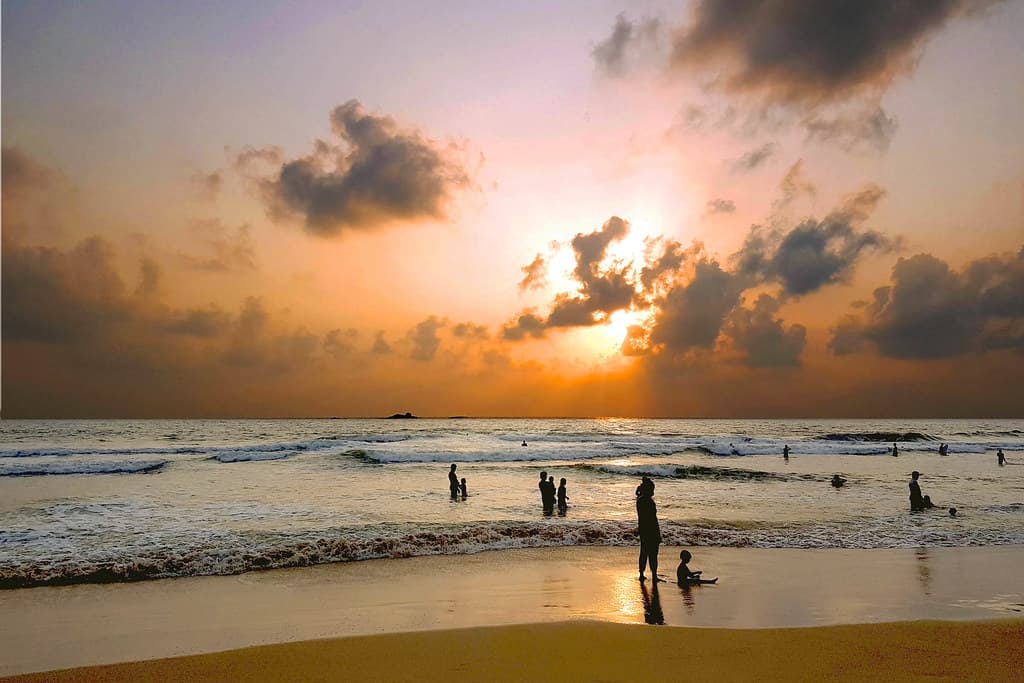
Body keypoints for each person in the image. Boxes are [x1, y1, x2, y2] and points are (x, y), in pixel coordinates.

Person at [636, 477, 662, 582]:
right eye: (652, 489)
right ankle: (654, 576)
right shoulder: (647, 501)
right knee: (653, 554)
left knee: (644, 552)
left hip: (643, 529)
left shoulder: (640, 499)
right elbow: (652, 519)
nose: (653, 492)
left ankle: (642, 574)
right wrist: (657, 533)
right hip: (651, 530)